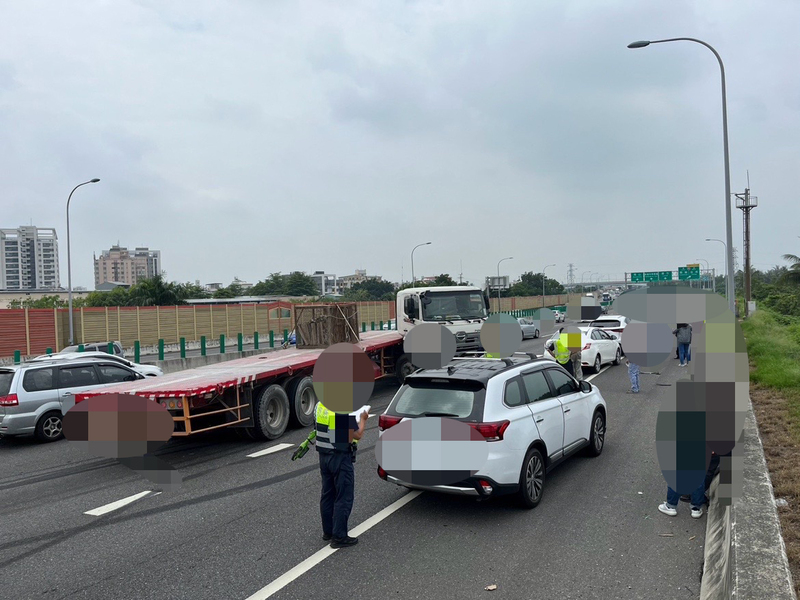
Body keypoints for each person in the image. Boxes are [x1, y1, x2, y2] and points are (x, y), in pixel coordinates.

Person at [315, 401, 369, 548]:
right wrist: (363, 419)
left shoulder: (320, 405)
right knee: (343, 496)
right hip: (339, 457)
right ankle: (339, 537)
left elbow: (327, 430)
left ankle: (328, 532)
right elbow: (355, 435)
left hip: (323, 455)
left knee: (328, 494)